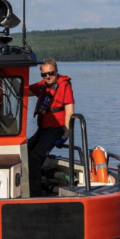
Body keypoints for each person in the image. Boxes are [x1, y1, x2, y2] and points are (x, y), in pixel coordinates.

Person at [27, 59, 75, 197]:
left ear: (56, 72)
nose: (48, 76)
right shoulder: (42, 86)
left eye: (51, 73)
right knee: (24, 152)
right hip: (42, 131)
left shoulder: (64, 86)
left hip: (55, 130)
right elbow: (24, 91)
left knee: (34, 159)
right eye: (44, 74)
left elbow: (69, 111)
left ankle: (34, 195)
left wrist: (66, 133)